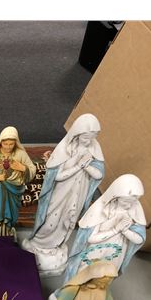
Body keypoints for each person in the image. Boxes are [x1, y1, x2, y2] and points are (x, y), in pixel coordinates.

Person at [22, 113, 104, 272]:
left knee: (68, 220)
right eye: (85, 137)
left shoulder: (94, 149)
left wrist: (87, 166)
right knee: (51, 219)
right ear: (77, 134)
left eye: (92, 138)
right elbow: (56, 176)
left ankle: (55, 247)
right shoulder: (65, 149)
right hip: (60, 193)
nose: (88, 141)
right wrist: (78, 166)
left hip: (78, 193)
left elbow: (99, 174)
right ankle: (39, 243)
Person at [63, 174, 146, 284]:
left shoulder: (134, 211)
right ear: (115, 197)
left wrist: (125, 231)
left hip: (115, 254)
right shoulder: (102, 209)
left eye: (133, 202)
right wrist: (115, 230)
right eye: (125, 202)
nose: (129, 206)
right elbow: (90, 238)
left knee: (102, 281)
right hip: (96, 251)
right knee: (83, 275)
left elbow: (139, 239)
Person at [0, 126, 36, 240]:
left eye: (11, 144)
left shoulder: (20, 154)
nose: (8, 147)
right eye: (5, 144)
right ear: (0, 142)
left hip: (12, 192)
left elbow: (32, 169)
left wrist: (22, 168)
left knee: (8, 214)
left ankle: (6, 232)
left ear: (16, 143)